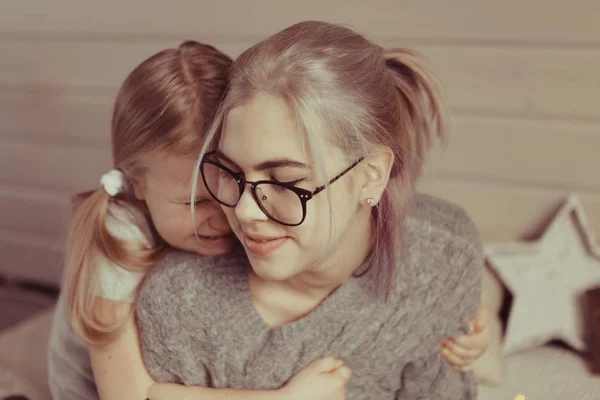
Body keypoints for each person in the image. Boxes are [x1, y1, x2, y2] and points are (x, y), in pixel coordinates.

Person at [48, 37, 488, 400]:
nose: (235, 211)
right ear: (138, 187)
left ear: (372, 174)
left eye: (284, 180)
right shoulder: (139, 267)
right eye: (230, 175)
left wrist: (468, 323)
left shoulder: (441, 254)